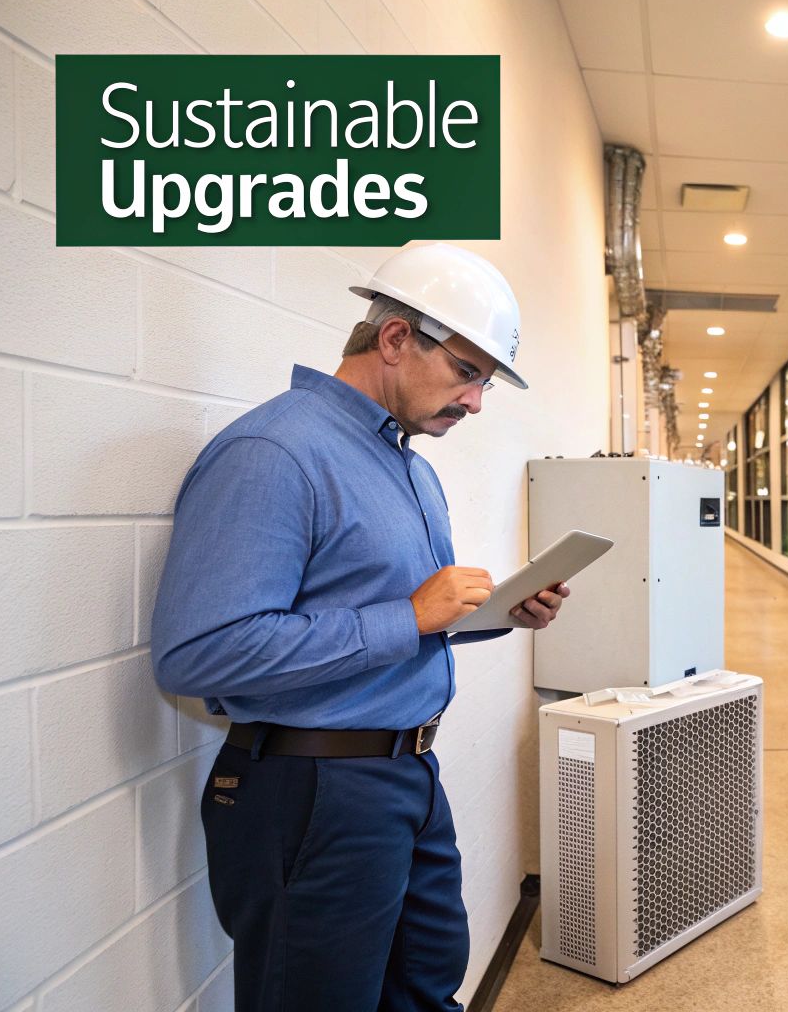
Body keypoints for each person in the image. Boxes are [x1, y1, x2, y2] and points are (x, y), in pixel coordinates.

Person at [151, 243, 561, 1011]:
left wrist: (497, 613)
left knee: (425, 987)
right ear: (397, 339)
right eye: (468, 372)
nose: (476, 402)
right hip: (309, 790)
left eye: (485, 382)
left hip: (405, 775)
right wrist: (409, 616)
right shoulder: (275, 451)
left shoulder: (409, 467)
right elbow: (197, 654)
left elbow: (399, 620)